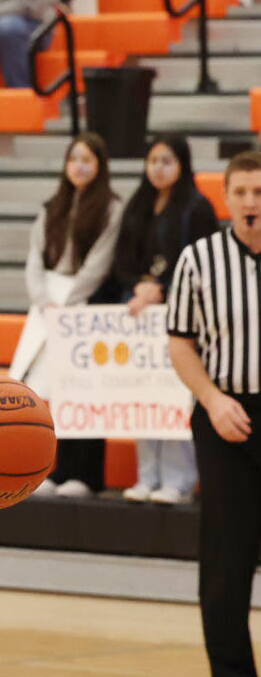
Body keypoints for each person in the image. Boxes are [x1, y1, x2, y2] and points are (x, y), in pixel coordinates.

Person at [166, 149, 261, 677]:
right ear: (227, 198)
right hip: (225, 414)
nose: (253, 202)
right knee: (227, 557)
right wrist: (212, 399)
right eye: (244, 192)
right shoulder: (198, 260)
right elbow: (180, 344)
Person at [113, 135, 217, 504]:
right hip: (139, 313)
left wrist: (163, 289)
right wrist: (139, 285)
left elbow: (204, 262)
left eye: (167, 160)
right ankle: (148, 475)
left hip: (183, 313)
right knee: (145, 392)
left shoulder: (197, 206)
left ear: (182, 164)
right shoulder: (138, 204)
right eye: (153, 159)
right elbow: (122, 258)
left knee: (175, 394)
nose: (158, 167)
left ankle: (179, 479)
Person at [20, 132, 122, 498]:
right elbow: (34, 260)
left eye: (87, 160)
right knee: (53, 388)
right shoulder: (52, 207)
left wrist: (69, 301)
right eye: (73, 158)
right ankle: (59, 471)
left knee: (83, 388)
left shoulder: (111, 207)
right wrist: (45, 301)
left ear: (100, 166)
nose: (78, 166)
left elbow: (100, 262)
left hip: (86, 307)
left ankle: (86, 474)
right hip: (49, 306)